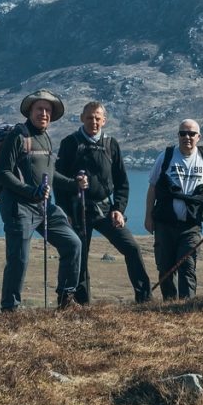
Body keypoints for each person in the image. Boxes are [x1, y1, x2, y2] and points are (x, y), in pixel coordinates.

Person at [0, 89, 86, 312]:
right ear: (30, 111)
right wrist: (30, 191)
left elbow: (50, 172)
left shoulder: (45, 137)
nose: (44, 113)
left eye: (48, 110)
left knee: (73, 243)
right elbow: (4, 173)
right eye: (40, 109)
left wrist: (73, 183)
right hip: (18, 207)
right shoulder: (18, 136)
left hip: (43, 205)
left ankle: (66, 301)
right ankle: (10, 310)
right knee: (19, 259)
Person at [55, 101, 152, 304]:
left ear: (104, 121)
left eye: (98, 118)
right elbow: (58, 181)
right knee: (80, 257)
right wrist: (66, 214)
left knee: (132, 248)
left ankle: (145, 299)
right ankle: (81, 305)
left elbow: (122, 182)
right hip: (77, 209)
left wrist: (118, 209)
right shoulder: (70, 143)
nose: (94, 122)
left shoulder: (111, 145)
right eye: (89, 117)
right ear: (82, 118)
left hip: (105, 208)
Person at [145, 119, 203, 300]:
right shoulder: (166, 156)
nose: (187, 137)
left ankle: (187, 305)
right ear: (178, 135)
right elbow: (153, 187)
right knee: (165, 267)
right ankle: (169, 303)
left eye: (192, 133)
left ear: (199, 137)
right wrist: (148, 217)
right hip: (164, 222)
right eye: (182, 133)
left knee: (187, 265)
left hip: (191, 225)